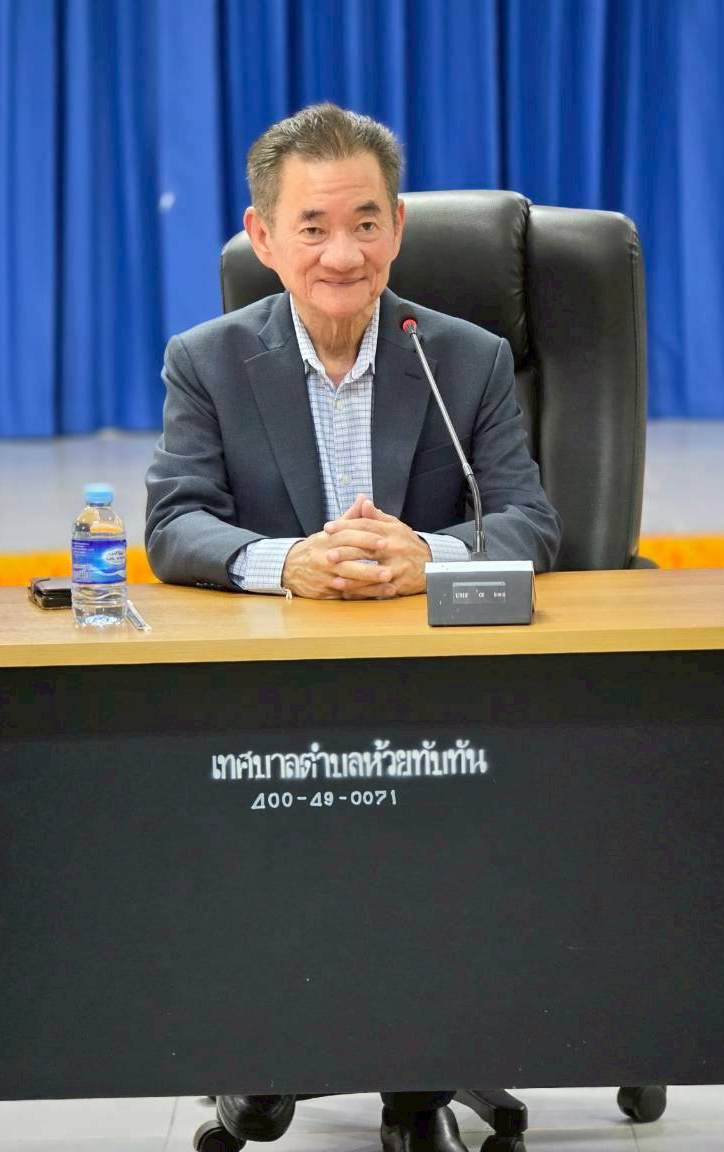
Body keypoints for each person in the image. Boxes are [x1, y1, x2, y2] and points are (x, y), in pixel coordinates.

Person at [145, 104, 561, 1152]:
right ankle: (289, 1022)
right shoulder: (207, 360)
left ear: (399, 227)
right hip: (275, 697)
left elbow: (529, 518)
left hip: (442, 693)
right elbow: (175, 522)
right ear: (263, 235)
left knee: (434, 829)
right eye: (315, 226)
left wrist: (432, 554)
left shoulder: (463, 357)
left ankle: (418, 1077)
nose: (344, 253)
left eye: (367, 223)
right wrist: (289, 563)